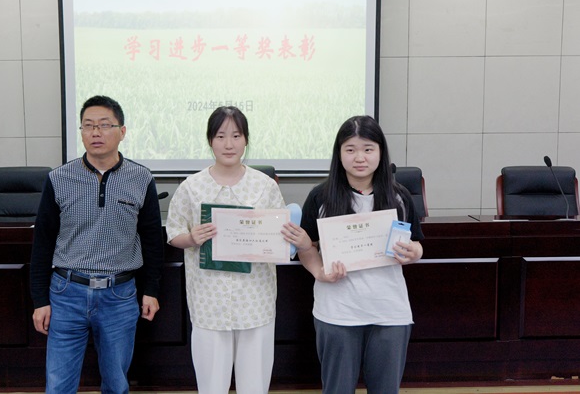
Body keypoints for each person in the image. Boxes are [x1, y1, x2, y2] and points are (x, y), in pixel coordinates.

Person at [30, 95, 164, 394]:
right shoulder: (59, 178)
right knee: (58, 386)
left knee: (116, 384)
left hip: (119, 295)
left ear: (122, 131)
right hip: (66, 293)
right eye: (88, 126)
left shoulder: (141, 178)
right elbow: (42, 243)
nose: (95, 132)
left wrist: (151, 290)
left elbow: (152, 241)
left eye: (104, 125)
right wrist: (40, 300)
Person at [282, 115, 424, 394]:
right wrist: (319, 272)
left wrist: (413, 253)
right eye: (350, 149)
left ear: (380, 152)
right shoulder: (320, 197)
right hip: (338, 312)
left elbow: (417, 244)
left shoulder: (399, 196)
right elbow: (308, 247)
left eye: (368, 149)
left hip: (389, 311)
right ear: (339, 154)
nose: (360, 157)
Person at [165, 106, 287, 394]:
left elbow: (279, 237)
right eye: (220, 136)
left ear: (246, 140)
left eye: (236, 135)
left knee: (254, 384)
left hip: (255, 299)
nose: (229, 144)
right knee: (211, 384)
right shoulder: (192, 187)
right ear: (210, 140)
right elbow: (173, 233)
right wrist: (191, 238)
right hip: (209, 300)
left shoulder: (265, 186)